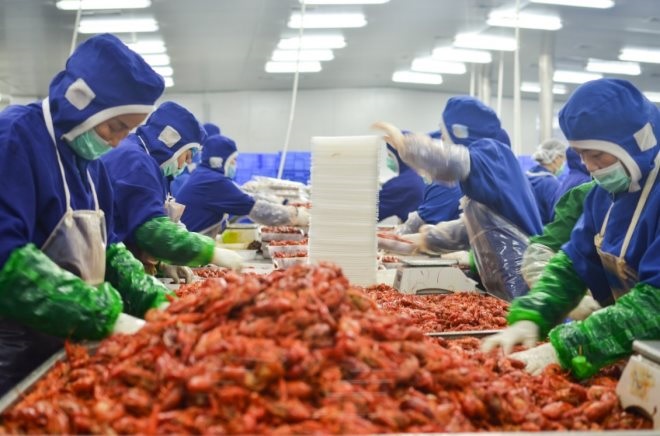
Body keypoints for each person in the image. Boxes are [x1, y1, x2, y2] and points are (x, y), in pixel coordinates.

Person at [0, 34, 169, 395]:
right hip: (11, 349)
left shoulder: (92, 165)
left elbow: (109, 247)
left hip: (67, 344)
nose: (118, 141)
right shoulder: (14, 137)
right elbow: (5, 257)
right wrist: (103, 315)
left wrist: (152, 297)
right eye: (115, 126)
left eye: (129, 131)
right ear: (81, 102)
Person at [482, 78, 660, 379]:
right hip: (639, 352)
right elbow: (573, 262)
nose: (589, 166)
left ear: (636, 142)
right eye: (581, 154)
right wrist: (534, 312)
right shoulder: (603, 197)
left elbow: (655, 304)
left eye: (597, 154)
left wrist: (569, 347)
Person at [374, 96, 542, 301]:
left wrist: (405, 145)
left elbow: (450, 161)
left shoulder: (493, 154)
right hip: (509, 289)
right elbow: (472, 230)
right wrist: (420, 241)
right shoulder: (486, 175)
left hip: (525, 284)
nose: (443, 142)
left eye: (444, 135)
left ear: (459, 132)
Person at [98, 101, 243, 284]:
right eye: (187, 154)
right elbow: (151, 230)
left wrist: (163, 262)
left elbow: (145, 219)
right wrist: (209, 252)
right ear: (171, 141)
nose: (187, 163)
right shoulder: (135, 161)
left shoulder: (152, 165)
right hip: (107, 269)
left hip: (123, 264)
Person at [177, 134, 310, 238]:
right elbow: (257, 210)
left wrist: (282, 202)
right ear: (220, 161)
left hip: (192, 243)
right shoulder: (212, 181)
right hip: (190, 249)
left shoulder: (204, 176)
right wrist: (295, 215)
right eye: (233, 160)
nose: (235, 165)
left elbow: (245, 196)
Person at [378, 142, 425, 222]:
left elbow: (367, 214)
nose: (388, 160)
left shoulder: (402, 184)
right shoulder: (418, 176)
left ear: (398, 155)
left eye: (390, 155)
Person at [526, 139, 566, 224]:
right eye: (563, 158)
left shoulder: (526, 176)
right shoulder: (551, 184)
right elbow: (556, 216)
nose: (564, 162)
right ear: (556, 158)